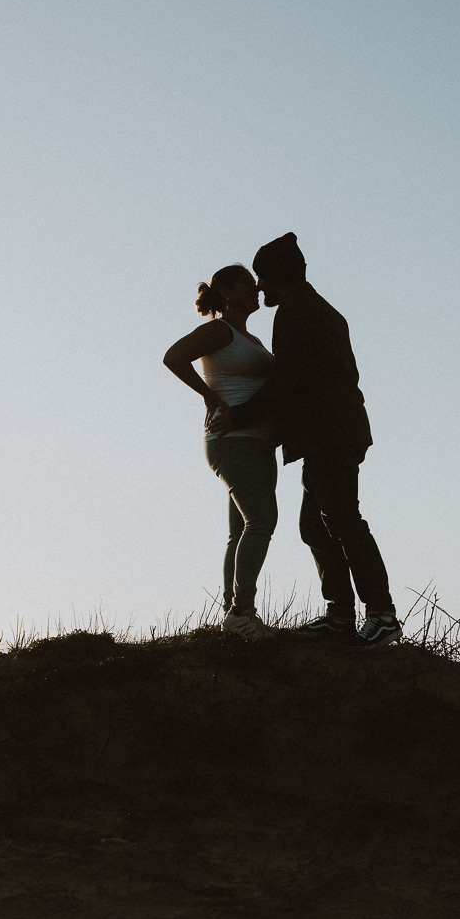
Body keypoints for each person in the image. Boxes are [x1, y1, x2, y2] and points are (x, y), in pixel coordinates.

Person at [209, 233, 401, 646]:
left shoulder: (296, 312)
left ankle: (381, 614)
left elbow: (287, 382)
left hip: (329, 433)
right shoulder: (319, 310)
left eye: (262, 276)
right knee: (315, 525)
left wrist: (239, 416)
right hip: (333, 432)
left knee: (343, 519)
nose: (259, 286)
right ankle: (340, 615)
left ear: (278, 275)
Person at [163, 264, 277, 641]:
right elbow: (174, 356)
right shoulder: (219, 330)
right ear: (226, 293)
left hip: (257, 441)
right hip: (232, 440)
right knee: (261, 520)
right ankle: (242, 611)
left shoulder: (252, 340)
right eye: (247, 284)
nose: (255, 289)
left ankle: (232, 614)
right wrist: (209, 396)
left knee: (240, 530)